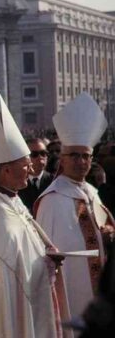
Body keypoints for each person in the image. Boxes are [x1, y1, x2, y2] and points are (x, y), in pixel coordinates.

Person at [0, 89, 69, 337]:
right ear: (7, 170)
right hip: (10, 314)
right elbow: (8, 276)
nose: (31, 168)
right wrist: (44, 265)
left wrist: (47, 257)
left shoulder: (12, 200)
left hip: (31, 304)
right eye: (25, 163)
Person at [35, 93, 115, 318]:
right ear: (62, 159)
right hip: (70, 288)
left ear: (92, 159)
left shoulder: (93, 193)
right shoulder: (52, 199)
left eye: (86, 156)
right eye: (74, 155)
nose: (80, 161)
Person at [18, 137, 54, 214]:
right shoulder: (17, 184)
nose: (40, 157)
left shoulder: (54, 181)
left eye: (43, 153)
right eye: (34, 154)